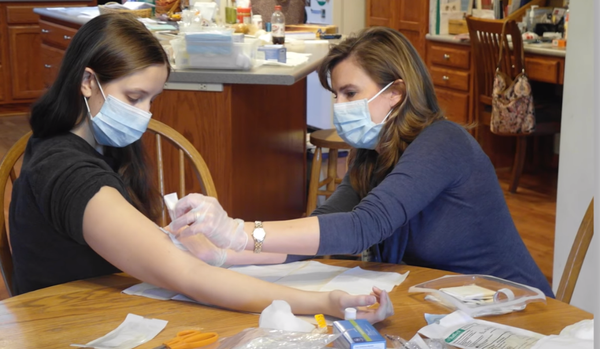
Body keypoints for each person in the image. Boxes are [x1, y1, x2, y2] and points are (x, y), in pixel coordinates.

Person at [8, 13, 393, 323]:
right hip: (69, 323)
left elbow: (181, 258)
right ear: (88, 82)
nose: (144, 115)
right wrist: (326, 301)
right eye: (134, 97)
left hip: (103, 307)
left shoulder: (87, 147)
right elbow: (191, 276)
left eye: (151, 100)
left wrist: (229, 244)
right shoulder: (70, 173)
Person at [168, 26, 554, 298]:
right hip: (447, 303)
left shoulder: (444, 143)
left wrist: (240, 231)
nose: (339, 107)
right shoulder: (373, 156)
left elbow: (362, 228)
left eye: (350, 92)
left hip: (514, 309)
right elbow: (324, 232)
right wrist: (223, 254)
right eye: (337, 95)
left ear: (396, 92)